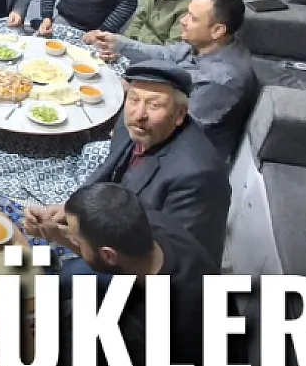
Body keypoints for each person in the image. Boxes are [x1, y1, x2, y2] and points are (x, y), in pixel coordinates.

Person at [25, 61, 230, 264]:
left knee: (51, 272)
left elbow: (174, 262)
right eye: (134, 99)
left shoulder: (198, 177)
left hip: (145, 269)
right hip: (109, 232)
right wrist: (71, 209)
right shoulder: (133, 125)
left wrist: (64, 236)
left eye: (154, 105)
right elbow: (108, 171)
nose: (139, 114)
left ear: (180, 114)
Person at [54, 183, 216, 366]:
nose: (71, 240)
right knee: (72, 275)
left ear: (109, 255)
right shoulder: (155, 224)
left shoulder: (161, 325)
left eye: (76, 240)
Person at [87, 0, 258, 160]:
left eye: (193, 18)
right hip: (167, 115)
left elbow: (180, 127)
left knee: (90, 150)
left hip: (182, 152)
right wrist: (120, 44)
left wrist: (125, 124)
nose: (183, 21)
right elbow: (167, 55)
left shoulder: (222, 81)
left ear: (217, 30)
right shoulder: (205, 43)